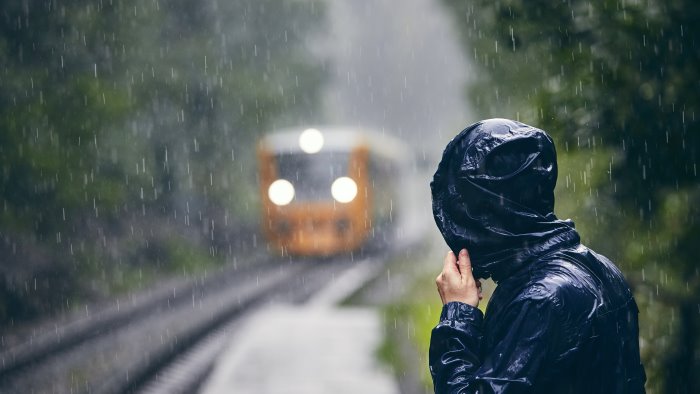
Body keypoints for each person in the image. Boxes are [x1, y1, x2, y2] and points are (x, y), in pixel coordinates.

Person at [429, 119, 646, 393]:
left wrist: (457, 315)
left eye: (466, 210)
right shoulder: (602, 269)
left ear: (488, 213)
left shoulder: (540, 300)